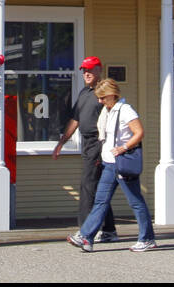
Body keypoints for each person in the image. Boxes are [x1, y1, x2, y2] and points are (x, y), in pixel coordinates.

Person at [67, 79, 156, 252]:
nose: (100, 101)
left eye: (102, 98)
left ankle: (147, 239)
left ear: (111, 95)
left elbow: (139, 133)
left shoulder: (125, 110)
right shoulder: (108, 111)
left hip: (122, 163)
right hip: (109, 163)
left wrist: (124, 147)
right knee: (100, 201)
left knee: (135, 201)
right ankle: (86, 237)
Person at [52, 56, 117, 241]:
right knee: (96, 187)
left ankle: (86, 231)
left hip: (99, 143)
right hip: (87, 143)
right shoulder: (83, 93)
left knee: (88, 186)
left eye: (90, 69)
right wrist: (61, 143)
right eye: (84, 70)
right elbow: (75, 119)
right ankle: (109, 230)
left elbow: (115, 116)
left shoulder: (104, 92)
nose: (86, 73)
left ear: (99, 70)